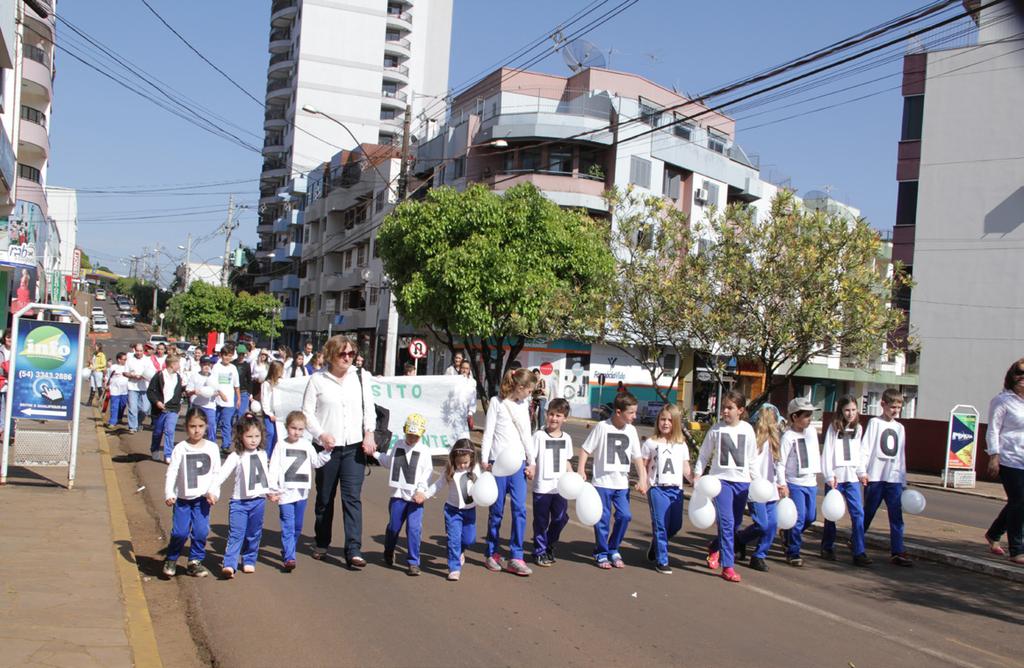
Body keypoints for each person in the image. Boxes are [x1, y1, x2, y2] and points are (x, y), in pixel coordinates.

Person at [301, 335, 376, 568]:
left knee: (352, 498)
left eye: (351, 353)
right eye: (342, 354)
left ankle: (353, 549)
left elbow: (369, 409)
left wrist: (369, 433)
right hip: (327, 449)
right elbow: (306, 414)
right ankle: (322, 541)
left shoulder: (361, 378)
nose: (347, 358)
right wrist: (321, 434)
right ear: (331, 355)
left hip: (354, 448)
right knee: (325, 498)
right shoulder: (317, 380)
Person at [577, 391, 649, 570]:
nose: (634, 416)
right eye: (631, 413)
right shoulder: (602, 427)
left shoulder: (631, 430)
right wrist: (581, 470)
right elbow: (586, 449)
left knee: (625, 516)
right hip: (601, 483)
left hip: (621, 484)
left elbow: (637, 458)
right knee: (602, 519)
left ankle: (613, 547)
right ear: (618, 412)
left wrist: (642, 478)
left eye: (635, 412)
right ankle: (601, 552)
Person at [696, 389, 759, 583]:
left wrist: (757, 481)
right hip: (720, 482)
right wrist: (698, 474)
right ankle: (728, 566)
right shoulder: (716, 429)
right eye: (723, 407)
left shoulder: (747, 429)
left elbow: (752, 458)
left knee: (736, 523)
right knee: (726, 522)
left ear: (740, 410)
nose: (725, 411)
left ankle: (715, 546)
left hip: (742, 482)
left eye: (729, 408)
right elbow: (704, 453)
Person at [480, 367, 537, 576]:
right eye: (529, 390)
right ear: (520, 387)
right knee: (496, 510)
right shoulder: (497, 403)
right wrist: (485, 461)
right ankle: (491, 552)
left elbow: (526, 435)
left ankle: (516, 556)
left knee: (520, 510)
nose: (530, 394)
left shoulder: (525, 405)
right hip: (498, 463)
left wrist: (531, 462)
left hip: (519, 464)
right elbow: (489, 433)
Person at [267, 411, 333, 571]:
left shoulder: (306, 445)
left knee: (297, 526)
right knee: (288, 525)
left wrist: (327, 451)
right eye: (293, 428)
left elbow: (316, 462)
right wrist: (272, 489)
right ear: (286, 427)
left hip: (302, 492)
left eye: (300, 429)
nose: (296, 432)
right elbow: (274, 467)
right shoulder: (281, 445)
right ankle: (290, 557)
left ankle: (288, 548)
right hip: (285, 492)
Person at [210, 413, 272, 578]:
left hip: (258, 501)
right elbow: (222, 474)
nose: (253, 440)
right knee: (236, 533)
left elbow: (266, 477)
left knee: (254, 533)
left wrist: (271, 492)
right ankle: (229, 563)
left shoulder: (263, 454)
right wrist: (212, 489)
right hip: (239, 502)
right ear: (240, 436)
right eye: (249, 436)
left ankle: (249, 559)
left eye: (257, 436)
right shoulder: (235, 456)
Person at [373, 413, 435, 576]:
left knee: (414, 529)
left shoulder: (424, 451)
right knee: (394, 527)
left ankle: (413, 562)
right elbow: (389, 463)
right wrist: (374, 454)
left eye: (416, 436)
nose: (412, 438)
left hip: (416, 499)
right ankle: (388, 549)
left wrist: (421, 490)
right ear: (404, 431)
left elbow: (426, 473)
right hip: (398, 497)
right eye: (410, 435)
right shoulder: (398, 445)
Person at [161, 408, 220, 578]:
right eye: (193, 426)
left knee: (201, 531)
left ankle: (194, 561)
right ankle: (171, 559)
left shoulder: (212, 448)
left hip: (202, 499)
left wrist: (213, 492)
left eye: (201, 426)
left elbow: (216, 473)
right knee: (180, 532)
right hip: (183, 499)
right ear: (186, 427)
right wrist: (169, 493)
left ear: (206, 426)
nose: (197, 430)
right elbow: (172, 471)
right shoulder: (181, 448)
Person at [862, 388, 913, 567]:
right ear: (883, 404)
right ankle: (857, 540)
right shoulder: (874, 423)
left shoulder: (900, 428)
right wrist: (863, 471)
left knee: (896, 515)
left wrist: (903, 479)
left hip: (893, 479)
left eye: (898, 407)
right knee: (868, 511)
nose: (895, 410)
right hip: (876, 476)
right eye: (892, 407)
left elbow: (901, 455)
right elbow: (866, 448)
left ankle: (897, 551)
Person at [821, 395, 872, 566]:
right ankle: (827, 546)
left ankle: (859, 551)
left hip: (851, 479)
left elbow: (858, 453)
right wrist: (829, 475)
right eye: (847, 410)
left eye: (853, 410)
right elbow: (828, 452)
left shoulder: (858, 428)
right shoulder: (834, 428)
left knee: (858, 513)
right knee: (832, 513)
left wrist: (861, 472)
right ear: (841, 411)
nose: (850, 414)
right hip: (836, 477)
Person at [643, 404, 692, 574]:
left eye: (670, 420)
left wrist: (695, 480)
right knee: (661, 525)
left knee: (675, 525)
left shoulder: (681, 445)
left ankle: (656, 545)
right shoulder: (650, 443)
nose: (665, 423)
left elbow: (685, 468)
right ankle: (662, 560)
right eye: (662, 419)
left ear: (676, 422)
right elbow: (643, 465)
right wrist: (643, 482)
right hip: (657, 488)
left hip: (676, 490)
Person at [985, 359, 1024, 564]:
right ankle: (1017, 549)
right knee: (1020, 501)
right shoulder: (1002, 400)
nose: (1022, 378)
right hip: (1009, 459)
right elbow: (993, 430)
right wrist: (994, 456)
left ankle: (994, 533)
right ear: (1011, 376)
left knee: (1018, 502)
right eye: (1019, 373)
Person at [735, 405, 782, 572]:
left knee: (773, 523)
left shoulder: (775, 441)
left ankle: (759, 556)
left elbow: (778, 465)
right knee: (762, 524)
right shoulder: (752, 441)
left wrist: (781, 483)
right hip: (756, 489)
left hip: (771, 490)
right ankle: (740, 539)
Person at [776, 397, 821, 567]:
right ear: (795, 417)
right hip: (794, 483)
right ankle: (793, 551)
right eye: (806, 415)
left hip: (810, 482)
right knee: (799, 517)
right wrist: (782, 484)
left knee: (811, 517)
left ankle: (788, 535)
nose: (810, 419)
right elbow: (780, 462)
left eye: (811, 415)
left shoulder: (811, 433)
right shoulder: (788, 436)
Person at [529, 397, 573, 567]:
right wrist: (531, 468)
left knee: (561, 518)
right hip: (542, 487)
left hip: (560, 488)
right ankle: (539, 551)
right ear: (546, 414)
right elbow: (532, 458)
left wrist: (574, 478)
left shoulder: (567, 438)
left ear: (565, 418)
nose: (554, 418)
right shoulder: (539, 435)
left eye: (559, 415)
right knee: (540, 521)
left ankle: (549, 544)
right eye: (552, 414)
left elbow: (567, 461)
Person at [428, 439, 480, 581]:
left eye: (465, 462)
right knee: (453, 539)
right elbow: (438, 485)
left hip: (470, 510)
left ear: (472, 459)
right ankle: (454, 568)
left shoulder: (475, 469)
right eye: (459, 462)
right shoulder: (449, 470)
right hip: (452, 511)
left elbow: (481, 486)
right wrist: (425, 494)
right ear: (454, 459)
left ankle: (461, 551)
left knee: (469, 539)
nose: (462, 465)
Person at [147, 354, 185, 462]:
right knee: (158, 432)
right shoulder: (159, 376)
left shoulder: (178, 377)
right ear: (172, 364)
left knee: (170, 430)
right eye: (178, 363)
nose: (179, 366)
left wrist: (178, 406)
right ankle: (154, 449)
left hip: (172, 409)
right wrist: (157, 402)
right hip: (160, 410)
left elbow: (178, 393)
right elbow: (150, 391)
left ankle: (168, 454)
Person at [213, 343, 242, 453]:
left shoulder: (233, 368)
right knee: (214, 423)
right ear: (221, 355)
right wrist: (220, 393)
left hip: (229, 401)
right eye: (225, 355)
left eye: (230, 355)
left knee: (226, 423)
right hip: (216, 400)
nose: (227, 358)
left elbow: (236, 385)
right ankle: (212, 443)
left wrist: (238, 399)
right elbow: (213, 383)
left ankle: (226, 445)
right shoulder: (216, 367)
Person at [186, 356, 218, 441]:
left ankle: (212, 446)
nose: (207, 366)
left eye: (208, 364)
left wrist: (214, 393)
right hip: (197, 406)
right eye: (204, 364)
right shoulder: (194, 376)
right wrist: (194, 392)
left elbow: (218, 391)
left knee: (211, 427)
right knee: (196, 428)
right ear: (200, 365)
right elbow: (188, 392)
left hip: (210, 407)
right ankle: (195, 444)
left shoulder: (214, 377)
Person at [125, 343, 152, 433]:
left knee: (145, 409)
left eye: (141, 351)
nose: (139, 353)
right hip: (132, 387)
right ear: (134, 350)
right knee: (132, 408)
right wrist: (131, 375)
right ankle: (132, 427)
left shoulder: (147, 360)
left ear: (143, 351)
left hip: (144, 387)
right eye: (137, 351)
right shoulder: (130, 360)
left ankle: (139, 422)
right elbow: (125, 373)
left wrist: (144, 376)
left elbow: (151, 373)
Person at [261, 361, 284, 458]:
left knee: (278, 435)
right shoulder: (266, 384)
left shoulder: (282, 382)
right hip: (269, 414)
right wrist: (269, 414)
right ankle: (266, 455)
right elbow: (264, 400)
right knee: (270, 433)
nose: (282, 372)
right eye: (281, 370)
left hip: (279, 412)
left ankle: (274, 456)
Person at [105, 352, 129, 429]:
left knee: (122, 405)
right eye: (124, 359)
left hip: (125, 391)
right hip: (114, 390)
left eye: (126, 359)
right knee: (114, 406)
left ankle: (119, 418)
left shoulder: (127, 367)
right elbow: (107, 377)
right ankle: (112, 422)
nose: (125, 361)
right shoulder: (113, 367)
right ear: (119, 359)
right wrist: (106, 385)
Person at [233, 344, 253, 416]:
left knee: (241, 413)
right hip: (234, 391)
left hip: (244, 391)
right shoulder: (233, 364)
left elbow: (249, 379)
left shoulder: (247, 365)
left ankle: (239, 427)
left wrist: (250, 392)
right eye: (239, 354)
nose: (241, 356)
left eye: (242, 354)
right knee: (234, 412)